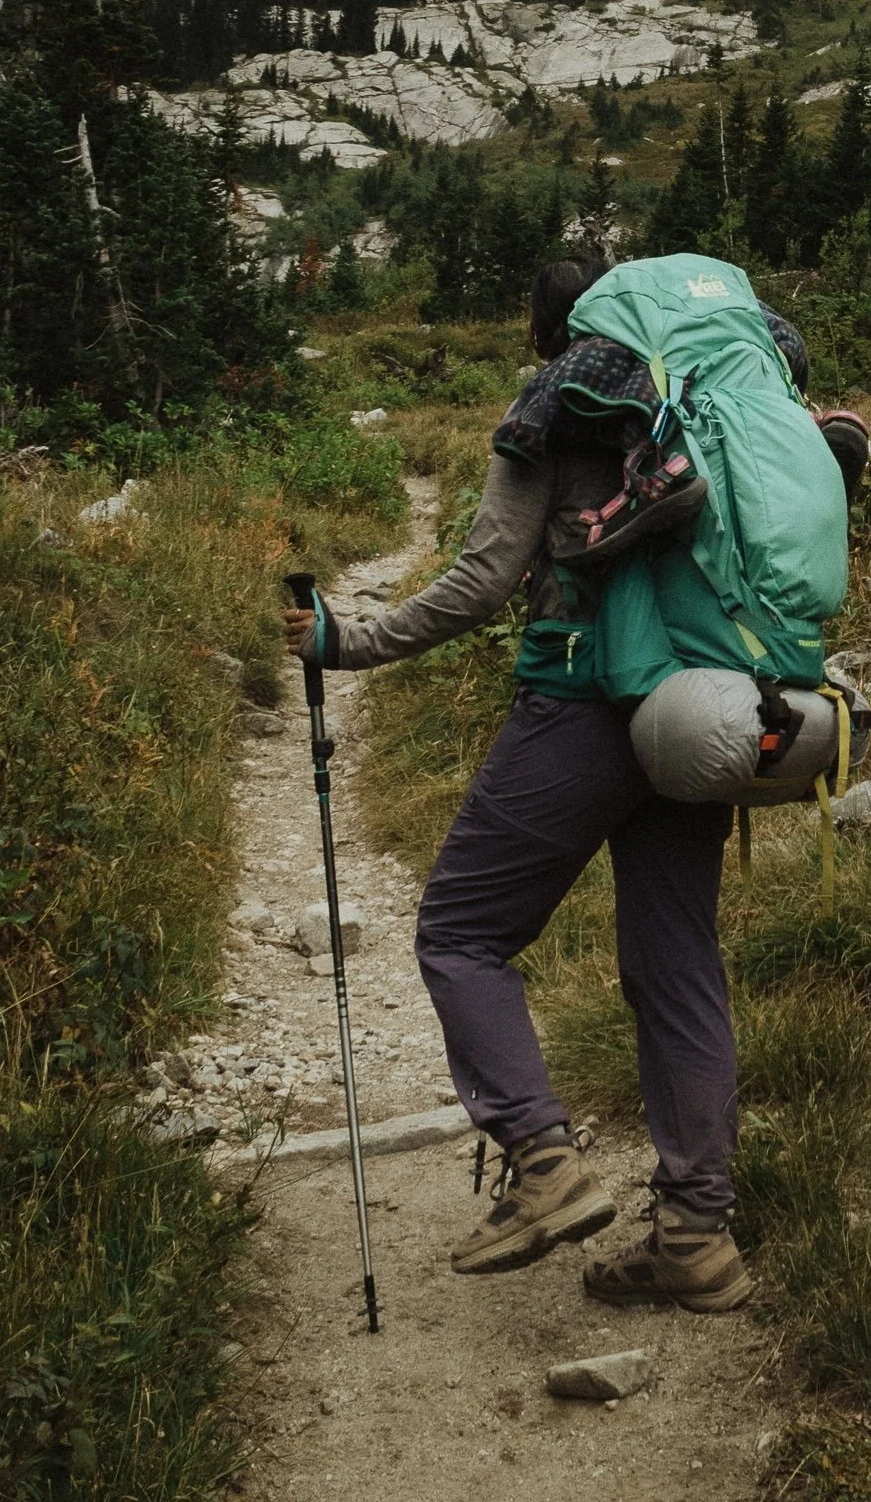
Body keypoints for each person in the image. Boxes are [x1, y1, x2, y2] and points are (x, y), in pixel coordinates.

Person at [282, 253, 840, 1313]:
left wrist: (347, 640)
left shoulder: (558, 401)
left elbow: (484, 578)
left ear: (549, 330)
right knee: (674, 963)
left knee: (459, 931)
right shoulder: (719, 393)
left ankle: (543, 1166)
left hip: (584, 704)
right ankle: (694, 1238)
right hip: (707, 705)